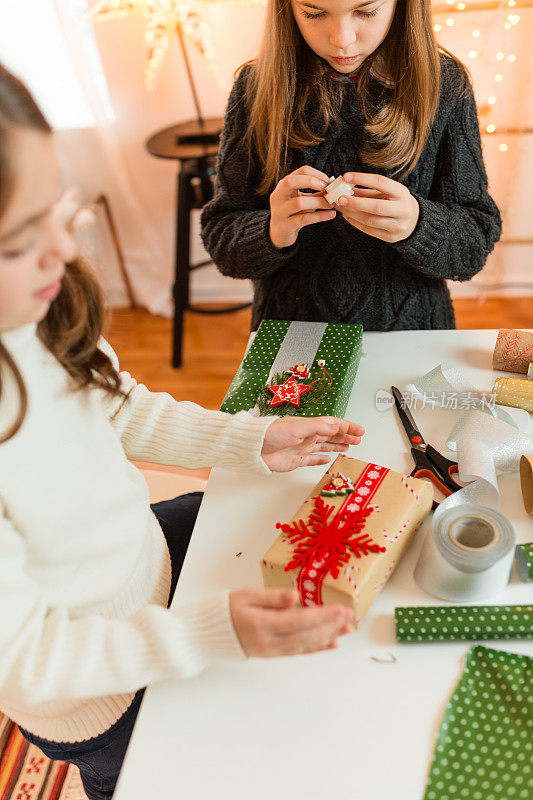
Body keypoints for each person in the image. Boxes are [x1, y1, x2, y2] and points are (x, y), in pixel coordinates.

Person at [0, 65, 365, 800]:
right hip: (99, 690)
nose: (65, 253)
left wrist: (250, 439)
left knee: (321, 511)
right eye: (15, 241)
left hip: (145, 558)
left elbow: (118, 406)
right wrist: (207, 633)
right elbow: (27, 656)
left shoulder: (34, 314)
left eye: (55, 208)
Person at [201, 0, 502, 332]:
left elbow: (474, 245)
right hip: (291, 338)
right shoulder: (254, 89)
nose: (341, 39)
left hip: (412, 337)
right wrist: (271, 232)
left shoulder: (446, 86)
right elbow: (221, 239)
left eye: (367, 11)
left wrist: (418, 225)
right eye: (314, 13)